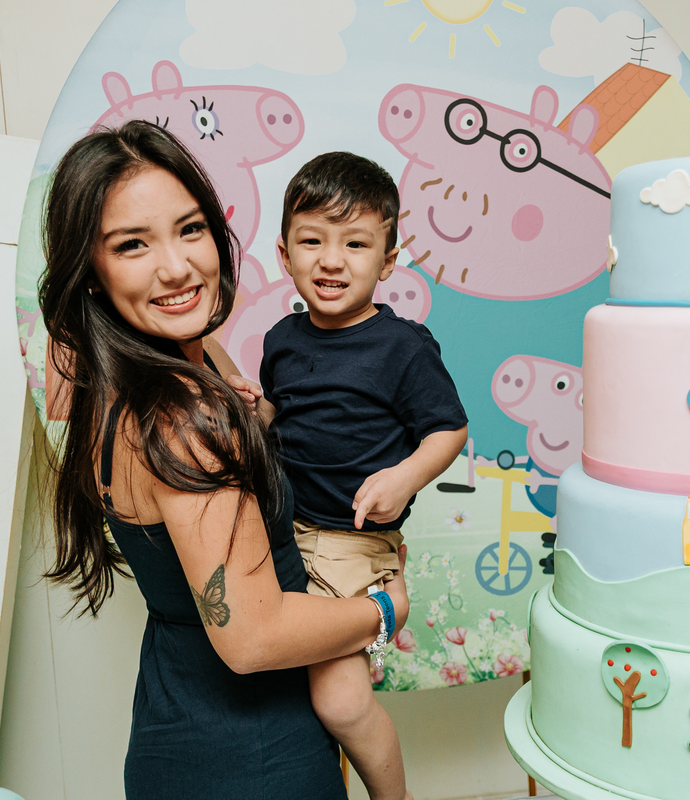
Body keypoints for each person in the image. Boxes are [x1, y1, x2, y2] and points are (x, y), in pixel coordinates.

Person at [37, 122, 410, 799]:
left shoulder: (145, 369)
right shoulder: (183, 418)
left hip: (173, 725)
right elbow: (253, 637)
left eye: (190, 229)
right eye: (131, 245)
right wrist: (384, 608)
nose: (177, 268)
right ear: (89, 271)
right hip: (252, 759)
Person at [231, 152, 468, 800]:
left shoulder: (403, 347)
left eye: (355, 244)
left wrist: (404, 478)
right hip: (283, 531)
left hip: (351, 540)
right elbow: (290, 418)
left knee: (338, 702)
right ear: (285, 255)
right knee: (276, 686)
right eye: (313, 242)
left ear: (388, 261)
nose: (331, 261)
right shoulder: (282, 339)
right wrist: (259, 410)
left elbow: (449, 430)